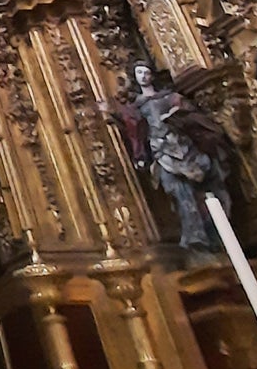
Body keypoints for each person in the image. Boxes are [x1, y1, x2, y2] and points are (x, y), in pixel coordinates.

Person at [99, 61, 231, 251]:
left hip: (185, 148)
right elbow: (133, 129)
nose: (144, 76)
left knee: (204, 188)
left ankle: (215, 233)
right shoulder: (137, 106)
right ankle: (194, 236)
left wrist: (178, 114)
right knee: (177, 191)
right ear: (134, 77)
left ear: (152, 75)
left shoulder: (170, 97)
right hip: (161, 152)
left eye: (147, 72)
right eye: (139, 73)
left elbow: (192, 116)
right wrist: (112, 113)